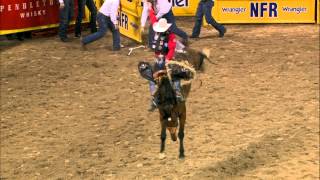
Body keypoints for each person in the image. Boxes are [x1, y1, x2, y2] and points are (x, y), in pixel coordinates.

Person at [147, 4, 184, 112]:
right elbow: (153, 18)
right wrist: (150, 8)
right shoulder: (156, 27)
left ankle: (177, 93)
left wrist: (168, 59)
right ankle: (155, 99)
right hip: (159, 59)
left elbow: (172, 49)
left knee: (175, 75)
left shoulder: (170, 36)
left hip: (168, 59)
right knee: (152, 78)